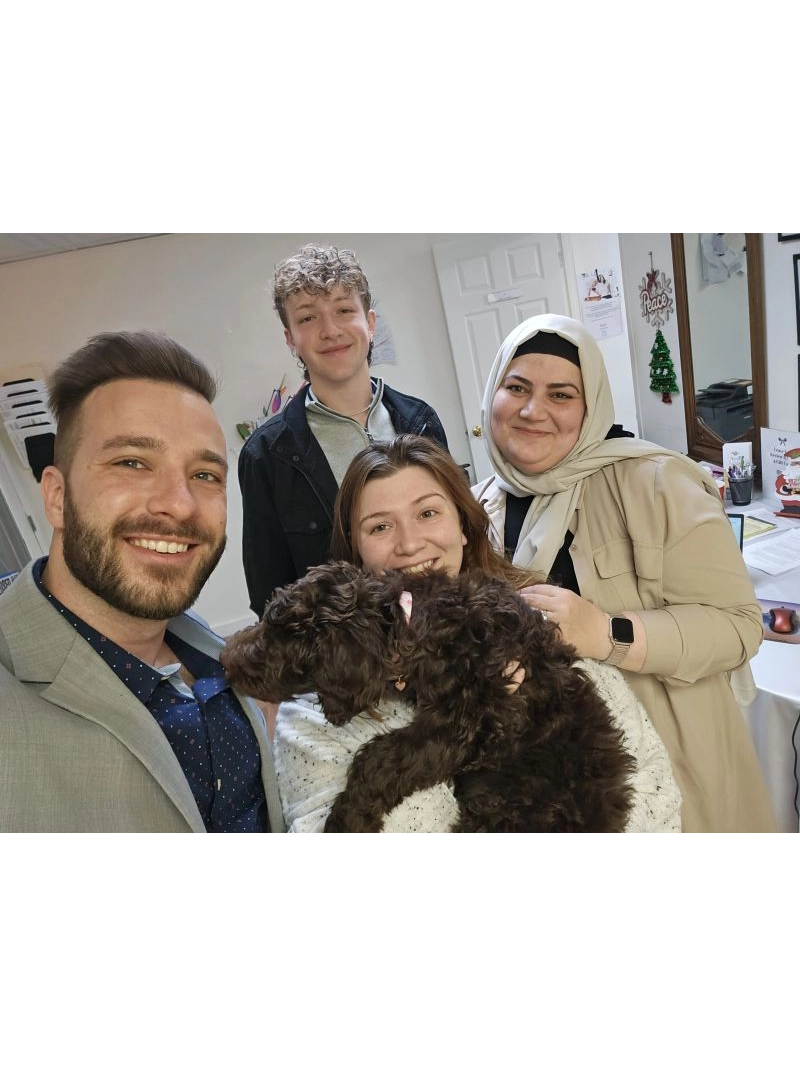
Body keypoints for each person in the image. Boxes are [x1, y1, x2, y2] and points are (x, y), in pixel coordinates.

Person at [271, 435, 682, 836]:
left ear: (464, 527)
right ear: (355, 553)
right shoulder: (310, 712)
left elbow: (656, 797)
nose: (411, 543)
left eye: (428, 513)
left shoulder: (542, 621)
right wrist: (469, 722)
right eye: (380, 527)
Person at [473, 312, 775, 836]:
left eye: (561, 394)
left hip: (668, 775)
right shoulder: (477, 508)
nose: (531, 409)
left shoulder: (656, 482)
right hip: (546, 786)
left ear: (591, 408)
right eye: (516, 386)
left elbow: (737, 627)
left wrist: (609, 632)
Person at [0, 330, 284, 837]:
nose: (178, 503)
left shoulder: (211, 656)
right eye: (132, 462)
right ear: (58, 497)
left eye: (204, 475)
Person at [238, 243, 449, 618]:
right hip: (345, 660)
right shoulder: (266, 454)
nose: (330, 330)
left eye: (343, 310)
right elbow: (269, 591)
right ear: (290, 339)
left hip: (439, 629)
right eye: (307, 318)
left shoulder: (422, 421)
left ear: (369, 323)